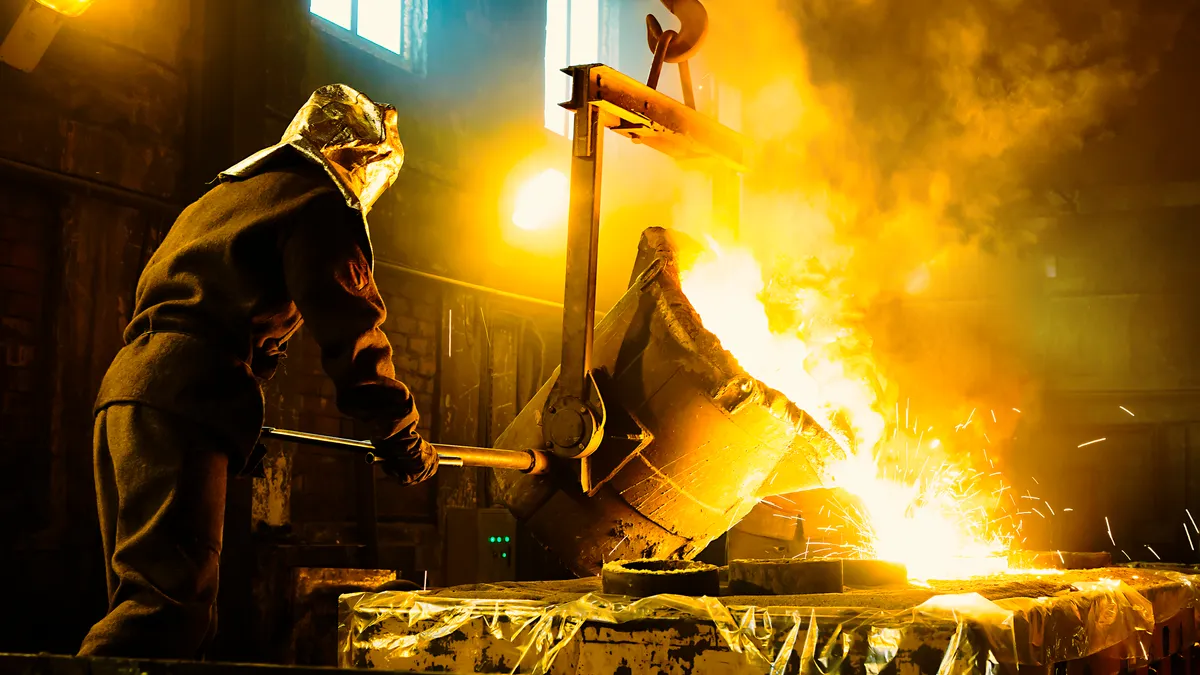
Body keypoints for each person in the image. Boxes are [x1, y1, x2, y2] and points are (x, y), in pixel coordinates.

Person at [77, 84, 437, 658]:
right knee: (164, 613)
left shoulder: (224, 198)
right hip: (184, 396)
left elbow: (223, 310)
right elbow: (351, 329)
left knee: (147, 600)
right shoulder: (318, 201)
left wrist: (236, 419)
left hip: (129, 392)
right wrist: (400, 435)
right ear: (356, 157)